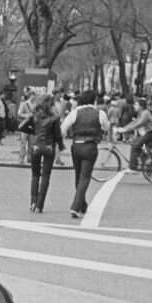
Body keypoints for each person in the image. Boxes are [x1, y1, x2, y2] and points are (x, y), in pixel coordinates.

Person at [60, 89, 110, 219]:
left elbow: (63, 129)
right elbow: (106, 127)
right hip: (90, 146)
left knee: (78, 175)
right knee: (85, 177)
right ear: (93, 100)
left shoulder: (75, 112)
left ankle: (82, 204)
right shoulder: (100, 113)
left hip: (76, 145)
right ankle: (76, 206)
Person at [27, 93, 63, 213]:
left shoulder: (34, 116)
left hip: (35, 146)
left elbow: (27, 128)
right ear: (51, 104)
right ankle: (39, 205)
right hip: (48, 147)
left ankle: (32, 202)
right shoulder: (54, 118)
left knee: (35, 175)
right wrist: (61, 146)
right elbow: (58, 135)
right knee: (46, 176)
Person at [116, 97, 152, 173]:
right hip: (149, 132)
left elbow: (138, 124)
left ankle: (133, 167)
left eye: (136, 105)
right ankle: (140, 163)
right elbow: (134, 122)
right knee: (136, 144)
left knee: (135, 145)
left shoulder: (145, 113)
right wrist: (123, 128)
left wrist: (124, 130)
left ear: (141, 106)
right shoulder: (142, 113)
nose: (134, 106)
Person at [16, 93, 34, 164]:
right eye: (33, 96)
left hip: (33, 126)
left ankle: (30, 158)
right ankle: (21, 158)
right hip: (25, 125)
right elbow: (19, 113)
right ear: (30, 96)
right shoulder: (24, 104)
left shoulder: (35, 104)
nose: (34, 97)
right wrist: (27, 115)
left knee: (31, 144)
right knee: (23, 143)